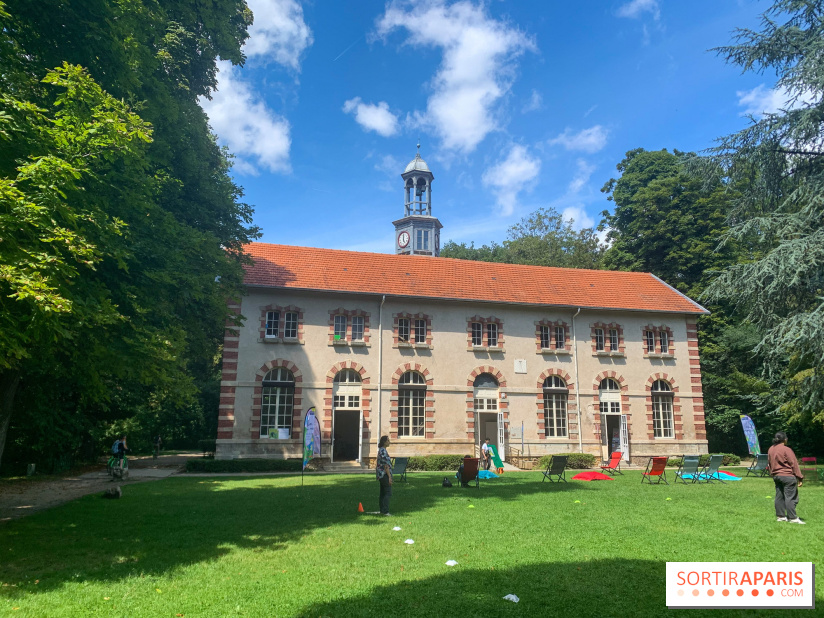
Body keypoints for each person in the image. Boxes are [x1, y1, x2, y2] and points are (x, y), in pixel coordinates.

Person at [767, 431, 805, 524]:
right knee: (791, 497)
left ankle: (781, 516)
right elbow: (794, 463)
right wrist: (800, 477)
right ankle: (793, 518)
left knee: (779, 496)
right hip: (788, 476)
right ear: (785, 439)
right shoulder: (786, 449)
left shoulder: (771, 449)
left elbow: (769, 463)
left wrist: (772, 473)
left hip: (776, 476)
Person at [375, 435, 393, 516]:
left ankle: (382, 510)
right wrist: (389, 477)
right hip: (383, 474)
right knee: (388, 492)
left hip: (381, 474)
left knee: (382, 492)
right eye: (388, 440)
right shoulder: (383, 451)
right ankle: (385, 511)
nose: (389, 442)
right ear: (384, 442)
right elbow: (386, 465)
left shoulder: (383, 450)